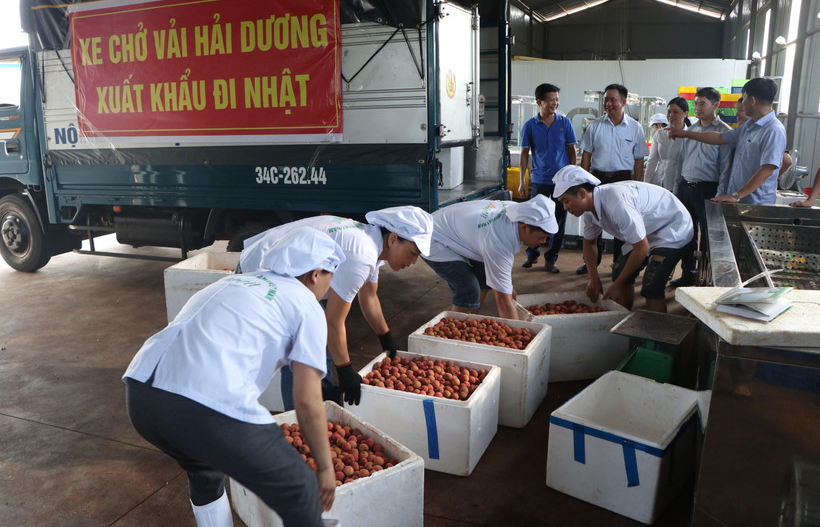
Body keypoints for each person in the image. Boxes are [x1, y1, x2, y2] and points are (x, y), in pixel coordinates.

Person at [123, 227, 346, 527]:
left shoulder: (239, 280)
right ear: (316, 274)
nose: (329, 289)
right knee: (301, 488)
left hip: (142, 395)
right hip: (201, 401)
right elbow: (307, 400)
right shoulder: (307, 305)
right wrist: (325, 467)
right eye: (331, 278)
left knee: (204, 470)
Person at [240, 206, 433, 408]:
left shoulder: (372, 245)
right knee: (301, 350)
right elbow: (333, 322)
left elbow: (368, 296)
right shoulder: (362, 255)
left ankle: (319, 403)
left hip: (294, 274)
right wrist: (345, 370)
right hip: (265, 271)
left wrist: (385, 336)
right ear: (393, 239)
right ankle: (301, 419)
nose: (413, 261)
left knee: (318, 340)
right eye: (412, 252)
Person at [553, 166, 693, 313]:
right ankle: (625, 319)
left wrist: (617, 285)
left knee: (652, 285)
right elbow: (590, 242)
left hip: (672, 228)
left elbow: (641, 248)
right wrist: (593, 278)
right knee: (620, 273)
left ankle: (657, 333)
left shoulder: (616, 202)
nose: (565, 207)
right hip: (646, 230)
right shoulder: (589, 210)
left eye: (566, 201)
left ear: (582, 193)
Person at [422, 195, 558, 319]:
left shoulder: (517, 211)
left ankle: (469, 322)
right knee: (468, 289)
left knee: (485, 280)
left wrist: (507, 288)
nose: (543, 242)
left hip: (455, 228)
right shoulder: (499, 241)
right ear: (524, 228)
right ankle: (454, 334)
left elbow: (502, 286)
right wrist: (519, 335)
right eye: (541, 238)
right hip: (433, 238)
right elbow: (503, 301)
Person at [669, 77, 786, 205]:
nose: (742, 102)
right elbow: (720, 137)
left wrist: (736, 195)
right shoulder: (748, 126)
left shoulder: (773, 130)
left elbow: (767, 169)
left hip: (756, 203)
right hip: (739, 200)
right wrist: (685, 134)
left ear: (752, 101)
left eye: (744, 97)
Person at [577, 83, 650, 275]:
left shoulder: (635, 128)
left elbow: (639, 158)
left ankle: (619, 262)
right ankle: (591, 262)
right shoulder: (595, 126)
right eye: (606, 100)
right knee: (593, 221)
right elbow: (586, 156)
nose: (608, 104)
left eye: (613, 100)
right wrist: (584, 181)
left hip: (623, 181)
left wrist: (637, 182)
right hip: (597, 180)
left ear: (624, 102)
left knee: (622, 222)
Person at [671, 87, 733, 287]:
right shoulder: (690, 130)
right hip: (686, 188)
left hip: (709, 190)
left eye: (702, 103)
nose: (697, 108)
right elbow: (682, 162)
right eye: (695, 103)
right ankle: (688, 273)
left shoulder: (724, 132)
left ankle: (704, 279)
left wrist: (721, 194)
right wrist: (677, 188)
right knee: (687, 233)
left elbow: (725, 168)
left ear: (716, 105)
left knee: (708, 237)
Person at [517, 83, 578, 273]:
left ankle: (551, 258)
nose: (555, 103)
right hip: (539, 180)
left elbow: (571, 151)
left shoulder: (564, 123)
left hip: (561, 182)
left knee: (559, 220)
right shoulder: (529, 126)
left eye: (557, 100)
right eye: (551, 100)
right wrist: (522, 180)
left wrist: (572, 177)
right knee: (535, 218)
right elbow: (524, 154)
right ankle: (532, 254)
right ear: (540, 102)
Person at [737, 98, 792, 178]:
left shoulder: (770, 131)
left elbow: (787, 161)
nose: (737, 114)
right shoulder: (743, 131)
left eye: (741, 110)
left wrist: (767, 180)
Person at [643, 99, 690, 192]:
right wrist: (646, 183)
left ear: (685, 113)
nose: (671, 115)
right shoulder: (660, 134)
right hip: (659, 183)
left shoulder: (690, 135)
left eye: (675, 112)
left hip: (680, 186)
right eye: (669, 111)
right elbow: (652, 160)